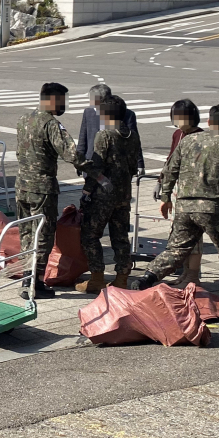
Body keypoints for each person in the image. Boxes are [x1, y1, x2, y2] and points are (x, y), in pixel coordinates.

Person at [132, 105, 219, 316]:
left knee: (175, 250)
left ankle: (145, 280)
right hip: (212, 208)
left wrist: (166, 197)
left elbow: (169, 170)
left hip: (184, 207)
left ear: (209, 122)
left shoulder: (187, 141)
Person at [15, 82, 85, 298]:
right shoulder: (51, 124)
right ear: (53, 100)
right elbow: (70, 153)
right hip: (42, 188)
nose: (64, 105)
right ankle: (35, 283)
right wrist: (91, 167)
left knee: (26, 232)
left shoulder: (23, 119)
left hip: (22, 186)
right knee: (43, 233)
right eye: (63, 100)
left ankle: (26, 278)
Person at [75, 96, 143, 293]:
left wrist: (87, 189)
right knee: (120, 236)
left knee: (90, 235)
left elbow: (97, 167)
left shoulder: (104, 136)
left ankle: (97, 278)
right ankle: (122, 278)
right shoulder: (132, 136)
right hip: (123, 194)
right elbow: (132, 166)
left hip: (102, 196)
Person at [166, 99, 205, 287]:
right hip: (177, 192)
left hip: (194, 194)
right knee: (181, 234)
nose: (178, 121)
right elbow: (171, 160)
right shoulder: (177, 134)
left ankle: (193, 275)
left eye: (180, 117)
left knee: (194, 235)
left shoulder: (201, 138)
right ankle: (186, 272)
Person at [76, 83, 144, 175]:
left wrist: (139, 164)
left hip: (116, 166)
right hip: (92, 162)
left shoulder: (126, 114)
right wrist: (79, 161)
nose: (91, 103)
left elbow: (134, 140)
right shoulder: (89, 112)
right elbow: (83, 138)